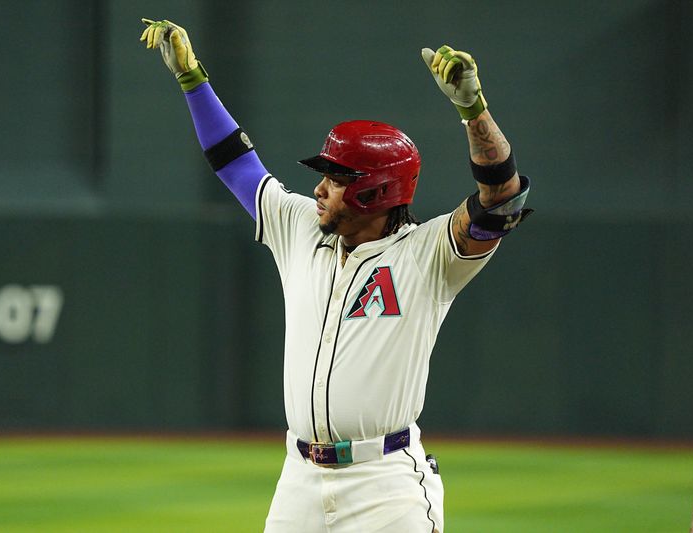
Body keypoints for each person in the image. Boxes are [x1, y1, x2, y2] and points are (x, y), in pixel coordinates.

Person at [140, 18, 532, 533]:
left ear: (377, 191)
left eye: (337, 178)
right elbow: (235, 163)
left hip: (385, 486)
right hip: (298, 482)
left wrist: (473, 112)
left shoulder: (429, 254)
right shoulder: (301, 227)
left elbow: (501, 202)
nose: (320, 189)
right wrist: (193, 80)